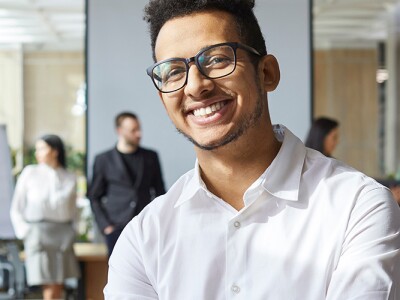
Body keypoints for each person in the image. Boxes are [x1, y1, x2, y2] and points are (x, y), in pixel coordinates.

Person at [104, 1, 400, 299]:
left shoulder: (358, 207)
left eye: (217, 59)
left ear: (267, 72)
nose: (195, 86)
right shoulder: (143, 238)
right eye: (173, 72)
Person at [10, 134, 80, 300]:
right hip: (38, 233)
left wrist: (73, 231)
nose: (37, 153)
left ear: (55, 151)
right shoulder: (30, 173)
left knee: (58, 285)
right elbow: (16, 208)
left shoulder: (69, 177)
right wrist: (26, 232)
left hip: (63, 234)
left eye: (42, 148)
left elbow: (75, 210)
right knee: (48, 285)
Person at [88, 111, 166, 256]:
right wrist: (106, 226)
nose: (139, 134)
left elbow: (160, 192)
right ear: (119, 131)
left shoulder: (151, 156)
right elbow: (94, 196)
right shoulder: (103, 159)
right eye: (133, 130)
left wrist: (156, 222)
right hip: (115, 228)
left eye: (139, 129)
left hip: (145, 227)